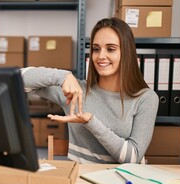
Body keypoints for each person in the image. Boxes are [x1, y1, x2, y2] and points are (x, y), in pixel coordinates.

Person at [21, 17, 159, 164]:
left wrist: (91, 122)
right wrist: (63, 76)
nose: (101, 56)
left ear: (127, 53)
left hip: (123, 183)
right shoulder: (76, 91)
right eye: (96, 49)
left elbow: (132, 157)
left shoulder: (146, 98)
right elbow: (19, 79)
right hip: (81, 181)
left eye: (111, 49)